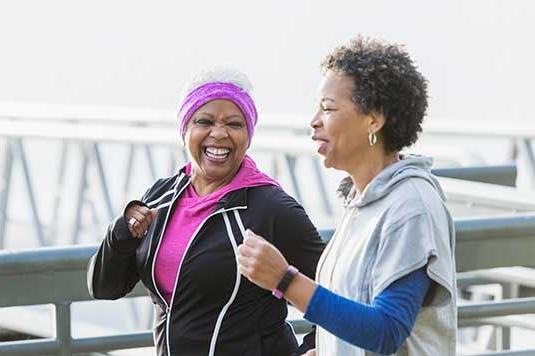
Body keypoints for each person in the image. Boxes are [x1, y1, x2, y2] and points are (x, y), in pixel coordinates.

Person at [238, 37, 457, 356]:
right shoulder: (362, 202)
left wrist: (284, 280)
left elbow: (388, 330)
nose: (314, 121)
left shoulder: (411, 207)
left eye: (328, 108)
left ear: (374, 119)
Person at [87, 67, 325, 356]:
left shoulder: (271, 208)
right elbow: (104, 287)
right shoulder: (161, 197)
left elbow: (334, 289)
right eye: (205, 121)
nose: (219, 133)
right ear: (185, 128)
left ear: (247, 135)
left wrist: (312, 351)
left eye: (235, 124)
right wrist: (122, 231)